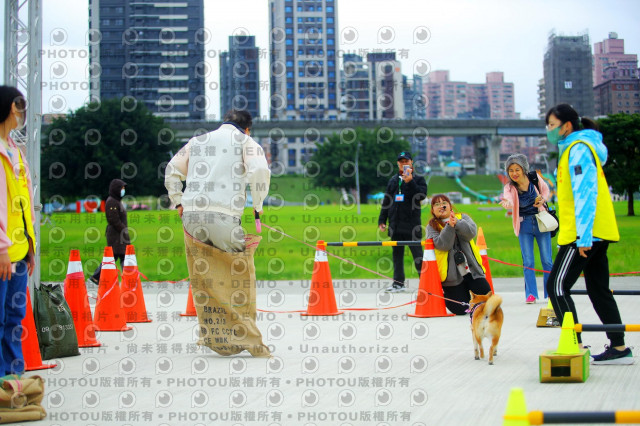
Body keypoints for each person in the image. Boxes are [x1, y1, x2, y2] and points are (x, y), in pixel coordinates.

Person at [544, 103, 632, 365]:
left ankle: (574, 345)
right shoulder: (578, 147)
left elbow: (585, 193)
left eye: (552, 125)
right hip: (596, 232)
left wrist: (583, 237)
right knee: (598, 289)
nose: (549, 130)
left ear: (567, 125)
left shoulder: (578, 149)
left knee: (556, 286)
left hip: (584, 235)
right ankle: (619, 348)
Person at [165, 109, 270, 250]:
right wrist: (257, 205)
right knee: (237, 263)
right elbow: (259, 169)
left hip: (191, 216)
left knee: (200, 264)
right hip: (224, 214)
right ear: (247, 129)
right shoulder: (246, 141)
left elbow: (171, 169)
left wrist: (178, 202)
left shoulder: (196, 141)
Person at [0, 85, 35, 375]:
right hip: (3, 253)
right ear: (13, 107)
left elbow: (24, 203)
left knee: (14, 317)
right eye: (21, 107)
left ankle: (14, 377)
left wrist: (30, 246)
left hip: (20, 250)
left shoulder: (15, 151)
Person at [500, 154, 553, 303]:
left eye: (517, 169)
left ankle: (550, 292)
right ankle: (531, 294)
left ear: (524, 169)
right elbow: (509, 199)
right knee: (528, 261)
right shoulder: (509, 187)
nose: (514, 173)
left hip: (541, 222)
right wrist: (507, 203)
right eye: (511, 170)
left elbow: (546, 191)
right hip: (524, 225)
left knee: (547, 260)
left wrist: (542, 200)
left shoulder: (535, 178)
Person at [426, 194, 492, 315]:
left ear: (450, 206)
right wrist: (449, 226)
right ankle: (450, 294)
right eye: (437, 204)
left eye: (444, 203)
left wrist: (457, 223)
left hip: (472, 270)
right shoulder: (431, 227)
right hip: (451, 276)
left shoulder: (463, 217)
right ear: (432, 210)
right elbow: (443, 245)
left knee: (487, 301)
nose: (441, 206)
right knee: (460, 309)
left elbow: (471, 233)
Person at [378, 151, 427, 292]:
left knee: (418, 256)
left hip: (412, 225)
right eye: (401, 161)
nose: (403, 163)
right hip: (395, 225)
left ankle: (426, 284)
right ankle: (398, 284)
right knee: (397, 256)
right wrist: (382, 220)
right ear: (398, 164)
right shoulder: (393, 180)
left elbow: (421, 196)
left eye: (406, 161)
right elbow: (387, 201)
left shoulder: (418, 179)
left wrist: (410, 181)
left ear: (411, 162)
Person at [89, 179, 130, 284]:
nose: (123, 190)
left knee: (116, 256)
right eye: (122, 188)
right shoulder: (112, 201)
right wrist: (123, 230)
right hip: (116, 235)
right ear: (116, 189)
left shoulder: (116, 201)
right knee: (119, 256)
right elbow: (113, 219)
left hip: (118, 234)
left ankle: (97, 276)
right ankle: (128, 279)